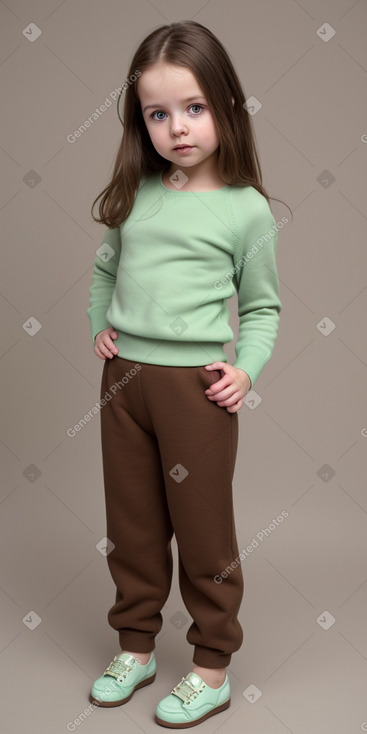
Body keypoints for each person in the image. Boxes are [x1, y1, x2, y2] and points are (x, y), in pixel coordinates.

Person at [86, 20, 290, 729]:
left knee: (202, 532)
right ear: (140, 122)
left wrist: (245, 370)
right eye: (157, 113)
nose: (177, 128)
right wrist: (99, 326)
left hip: (193, 394)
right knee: (133, 525)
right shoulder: (137, 193)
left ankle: (211, 666)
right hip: (123, 388)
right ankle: (135, 648)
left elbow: (261, 308)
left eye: (194, 107)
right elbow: (105, 269)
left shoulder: (244, 209)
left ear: (227, 106)